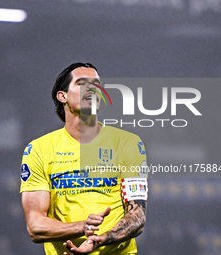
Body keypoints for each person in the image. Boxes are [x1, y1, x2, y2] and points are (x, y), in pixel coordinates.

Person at [20, 63, 148, 255]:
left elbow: (137, 217)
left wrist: (99, 240)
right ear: (62, 96)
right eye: (82, 83)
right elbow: (35, 226)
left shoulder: (127, 143)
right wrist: (82, 227)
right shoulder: (39, 149)